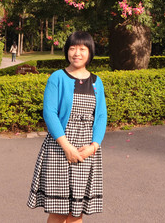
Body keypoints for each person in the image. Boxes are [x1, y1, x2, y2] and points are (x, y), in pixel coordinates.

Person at [27, 31, 107, 222]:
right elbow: (50, 113)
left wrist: (94, 146)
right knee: (59, 210)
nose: (76, 53)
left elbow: (101, 115)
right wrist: (67, 147)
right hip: (59, 147)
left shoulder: (97, 82)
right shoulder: (57, 77)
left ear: (90, 52)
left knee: (76, 211)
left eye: (82, 48)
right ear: (66, 52)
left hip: (86, 150)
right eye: (72, 48)